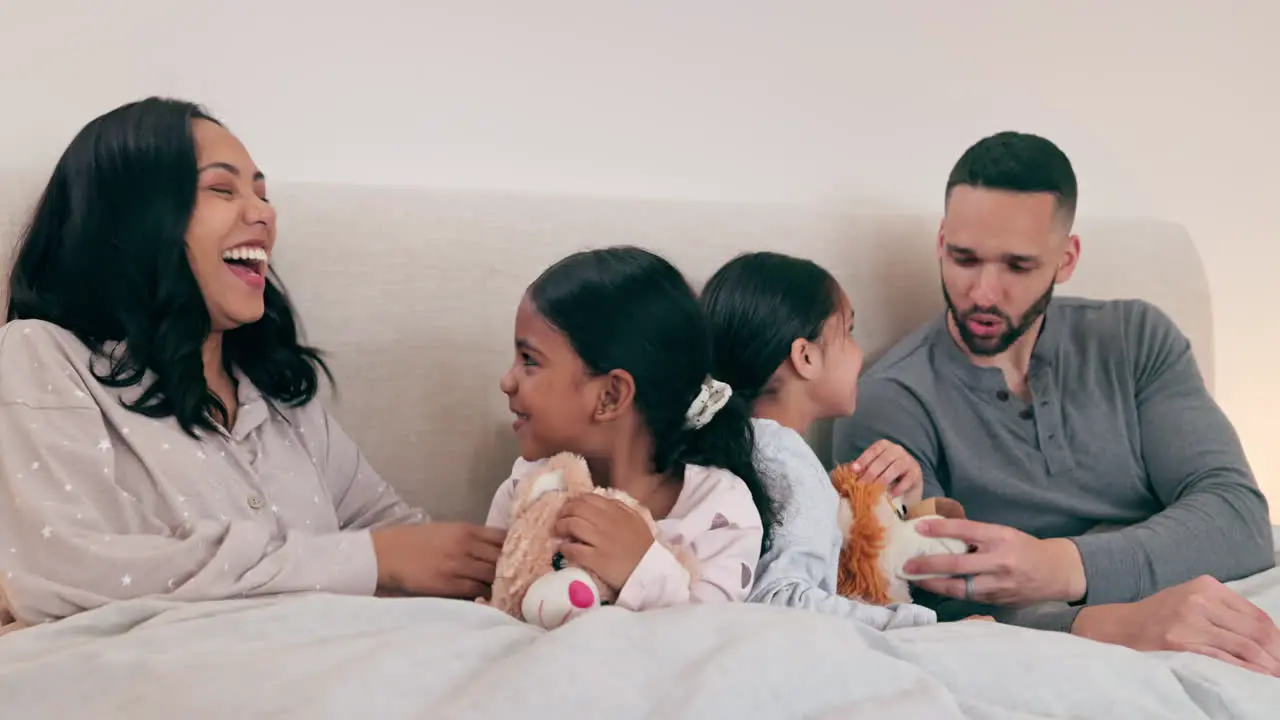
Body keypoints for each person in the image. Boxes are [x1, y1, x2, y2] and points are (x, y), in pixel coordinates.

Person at [0, 97, 506, 630]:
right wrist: (368, 562)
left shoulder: (284, 403)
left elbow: (398, 540)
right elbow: (60, 571)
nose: (264, 213)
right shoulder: (41, 356)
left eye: (263, 194)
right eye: (223, 189)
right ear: (132, 216)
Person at [832, 130, 1280, 675]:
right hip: (1064, 645)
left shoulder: (1137, 338)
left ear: (1065, 259)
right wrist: (1106, 623)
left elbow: (1239, 519)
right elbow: (926, 599)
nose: (983, 293)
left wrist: (1061, 565)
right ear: (941, 243)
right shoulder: (888, 399)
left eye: (1017, 266)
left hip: (1218, 599)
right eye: (964, 258)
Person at [484, 246, 774, 611]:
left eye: (529, 361)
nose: (507, 381)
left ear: (610, 395)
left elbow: (706, 649)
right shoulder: (528, 488)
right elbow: (496, 612)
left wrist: (642, 567)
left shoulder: (719, 510)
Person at [700, 251, 938, 630]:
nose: (859, 352)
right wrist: (919, 627)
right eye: (849, 333)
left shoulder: (742, 449)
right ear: (805, 356)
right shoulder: (786, 461)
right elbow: (781, 602)